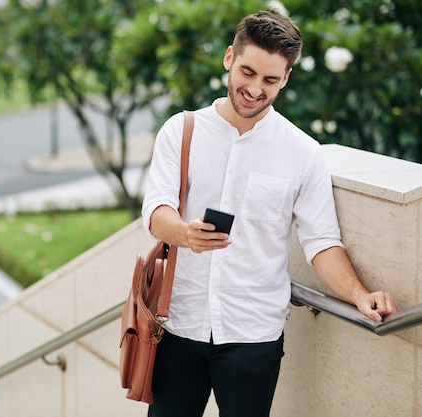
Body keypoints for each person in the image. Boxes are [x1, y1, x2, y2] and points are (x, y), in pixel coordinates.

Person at [141, 8, 396, 417]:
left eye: (270, 80)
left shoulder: (303, 153)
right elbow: (156, 210)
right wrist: (186, 234)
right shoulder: (181, 130)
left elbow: (321, 241)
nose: (255, 89)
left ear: (286, 78)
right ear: (229, 57)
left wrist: (361, 295)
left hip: (253, 336)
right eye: (247, 72)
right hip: (177, 327)